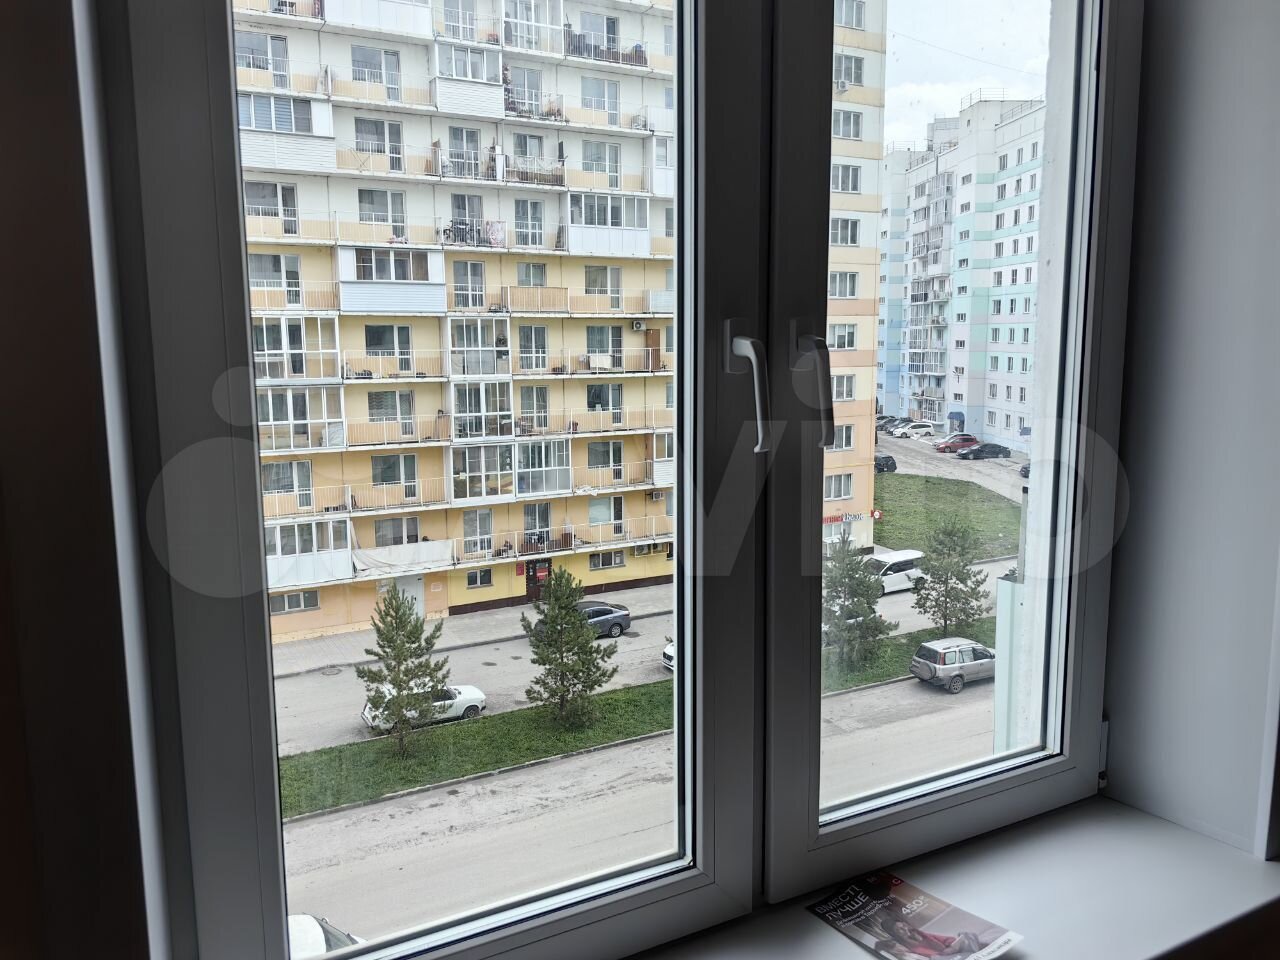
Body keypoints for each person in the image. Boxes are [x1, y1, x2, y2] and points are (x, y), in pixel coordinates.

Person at [884, 919, 984, 958]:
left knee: (967, 935)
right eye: (900, 929)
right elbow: (934, 956)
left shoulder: (918, 933)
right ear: (896, 934)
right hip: (943, 957)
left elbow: (943, 939)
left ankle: (977, 955)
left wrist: (951, 943)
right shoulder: (908, 945)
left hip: (950, 952)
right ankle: (975, 954)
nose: (905, 929)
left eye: (903, 926)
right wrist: (950, 949)